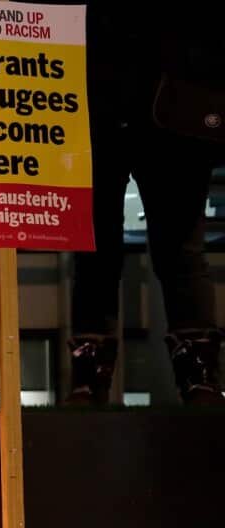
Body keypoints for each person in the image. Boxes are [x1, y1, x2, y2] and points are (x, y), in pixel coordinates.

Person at [67, 5, 225, 405]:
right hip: (129, 112)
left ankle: (92, 383)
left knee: (162, 253)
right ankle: (197, 380)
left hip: (158, 115)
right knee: (107, 252)